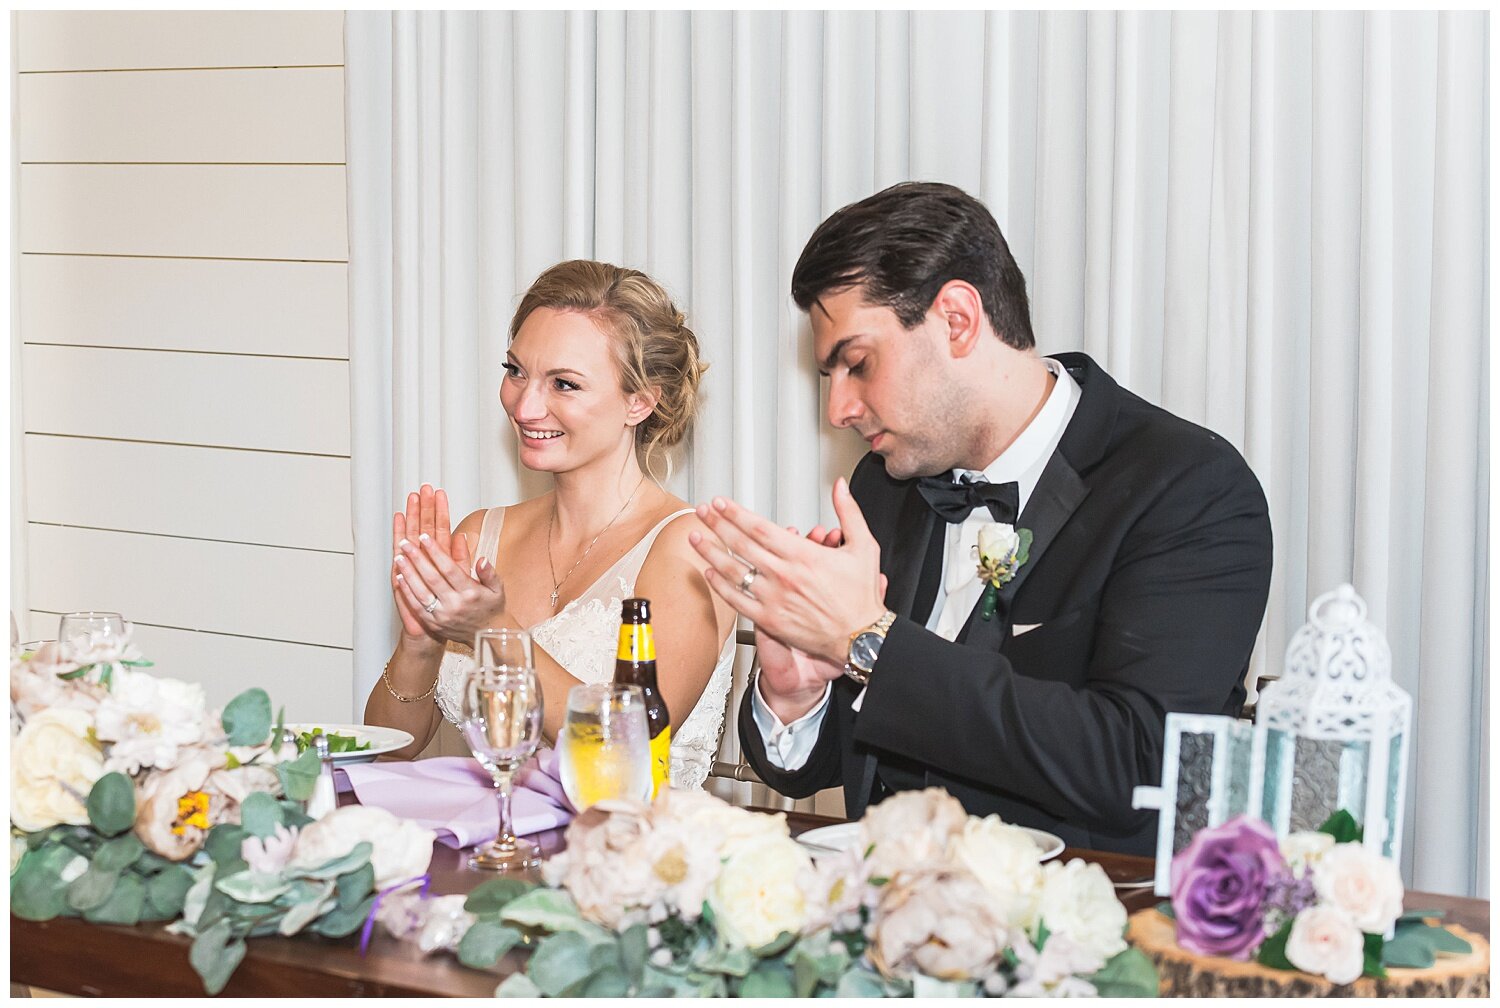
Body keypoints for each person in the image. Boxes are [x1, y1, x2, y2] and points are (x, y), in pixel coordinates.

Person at [689, 182, 1273, 854]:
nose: (839, 410)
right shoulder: (883, 486)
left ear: (958, 320)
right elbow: (848, 767)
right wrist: (798, 696)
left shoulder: (1187, 486)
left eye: (858, 364)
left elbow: (1140, 762)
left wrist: (869, 639)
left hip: (1083, 932)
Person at [366, 259, 737, 790]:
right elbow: (386, 756)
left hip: (628, 854)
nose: (525, 404)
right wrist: (420, 640)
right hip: (488, 848)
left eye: (563, 384)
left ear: (639, 401)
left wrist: (493, 632)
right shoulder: (482, 534)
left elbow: (627, 754)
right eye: (516, 370)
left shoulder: (688, 550)